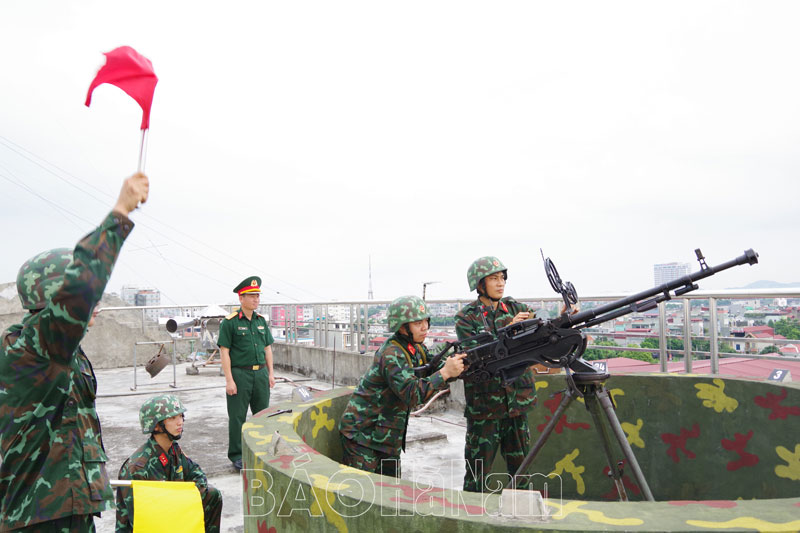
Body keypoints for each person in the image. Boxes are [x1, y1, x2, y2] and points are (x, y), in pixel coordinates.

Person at [0, 173, 148, 531]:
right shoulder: (34, 349)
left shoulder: (62, 351)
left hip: (69, 505)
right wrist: (120, 211)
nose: (94, 305)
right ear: (53, 299)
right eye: (86, 301)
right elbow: (81, 287)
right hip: (40, 515)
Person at [339, 295, 466, 477]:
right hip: (362, 436)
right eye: (417, 323)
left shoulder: (415, 348)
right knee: (364, 489)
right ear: (402, 326)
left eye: (426, 321)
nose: (425, 327)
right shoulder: (392, 353)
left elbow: (433, 367)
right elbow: (412, 394)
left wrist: (460, 365)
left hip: (386, 437)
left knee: (390, 489)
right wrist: (445, 373)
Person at [455, 256, 539, 493]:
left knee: (521, 472)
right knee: (477, 474)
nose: (500, 283)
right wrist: (508, 330)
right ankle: (472, 513)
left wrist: (564, 317)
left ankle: (521, 512)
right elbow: (477, 355)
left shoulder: (517, 309)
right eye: (493, 279)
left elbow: (540, 332)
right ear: (480, 284)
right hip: (485, 409)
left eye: (502, 278)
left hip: (516, 404)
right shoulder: (466, 317)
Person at [115, 394, 223, 533]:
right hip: (152, 525)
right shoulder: (137, 467)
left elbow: (197, 474)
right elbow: (141, 518)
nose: (180, 422)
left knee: (212, 495)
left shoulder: (173, 450)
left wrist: (182, 501)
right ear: (156, 426)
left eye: (181, 416)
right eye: (172, 418)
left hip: (171, 516)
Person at [217, 276, 275, 470]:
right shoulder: (230, 323)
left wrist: (271, 373)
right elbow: (224, 352)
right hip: (240, 375)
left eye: (257, 296)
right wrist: (229, 380)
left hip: (261, 374)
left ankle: (261, 451)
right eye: (251, 296)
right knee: (237, 417)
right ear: (241, 298)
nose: (255, 299)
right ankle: (237, 455)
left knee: (263, 415)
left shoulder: (261, 321)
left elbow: (267, 348)